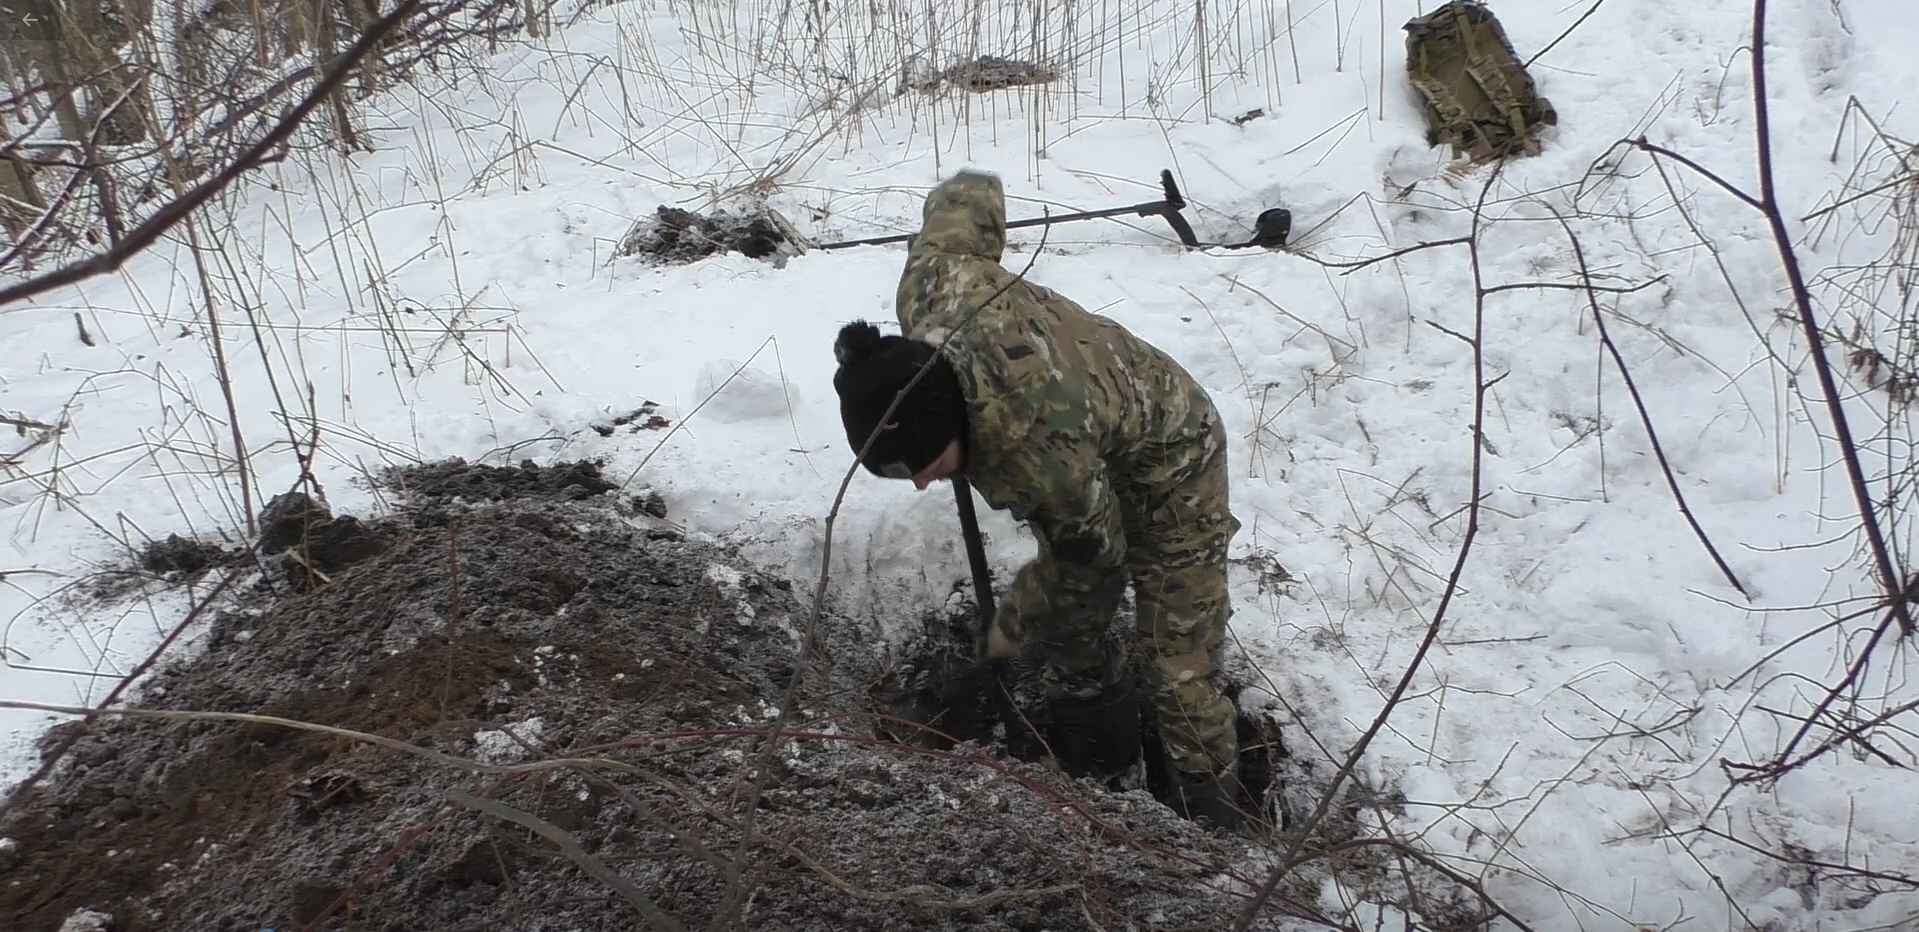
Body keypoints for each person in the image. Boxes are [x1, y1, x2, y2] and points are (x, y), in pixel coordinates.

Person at [829, 169, 1245, 829]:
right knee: (1071, 643)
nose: (918, 486)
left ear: (958, 427)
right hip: (1091, 425)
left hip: (1172, 453)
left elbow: (1092, 564)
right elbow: (967, 194)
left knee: (1177, 675)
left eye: (927, 467)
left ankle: (1216, 833)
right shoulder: (933, 287)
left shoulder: (1037, 457)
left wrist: (1006, 632)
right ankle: (1103, 767)